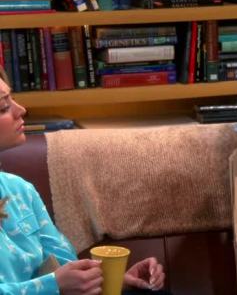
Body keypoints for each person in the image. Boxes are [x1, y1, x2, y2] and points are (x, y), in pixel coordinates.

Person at [0, 67, 166, 294]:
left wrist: (112, 281)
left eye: (12, 99)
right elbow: (58, 283)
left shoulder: (21, 190)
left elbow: (65, 267)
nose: (21, 110)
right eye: (4, 107)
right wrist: (54, 286)